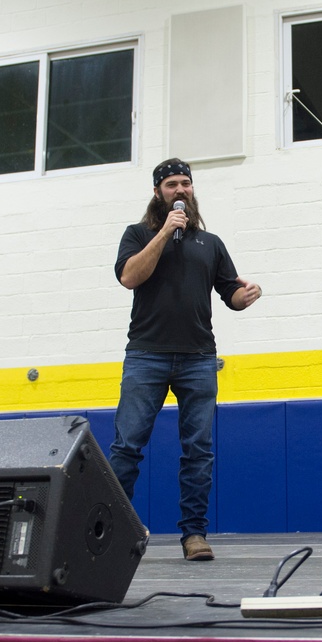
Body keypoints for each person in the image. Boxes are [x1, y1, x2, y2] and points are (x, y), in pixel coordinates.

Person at [109, 158, 262, 561]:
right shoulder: (138, 234)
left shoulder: (210, 243)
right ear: (157, 192)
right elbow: (129, 277)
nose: (180, 190)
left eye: (186, 184)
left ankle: (194, 535)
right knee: (127, 447)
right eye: (172, 184)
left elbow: (231, 294)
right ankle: (110, 532)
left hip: (198, 359)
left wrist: (246, 295)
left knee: (199, 451)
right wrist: (164, 232)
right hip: (146, 356)